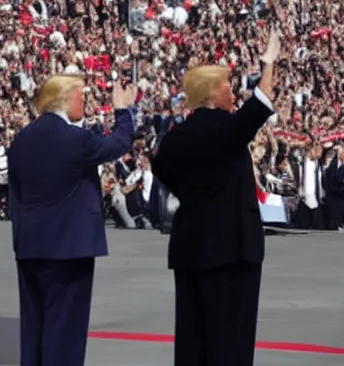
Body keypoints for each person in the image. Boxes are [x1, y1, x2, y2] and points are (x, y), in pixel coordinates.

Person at [152, 29, 281, 366]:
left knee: (193, 340)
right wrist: (268, 63)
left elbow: (163, 171)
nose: (232, 91)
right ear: (211, 93)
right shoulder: (227, 129)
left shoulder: (174, 138)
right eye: (226, 85)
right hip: (232, 250)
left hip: (190, 247)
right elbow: (262, 102)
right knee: (230, 342)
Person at [8, 74, 137, 366]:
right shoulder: (74, 140)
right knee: (64, 331)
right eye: (81, 96)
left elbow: (15, 197)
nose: (86, 102)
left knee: (34, 327)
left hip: (30, 247)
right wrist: (122, 111)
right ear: (64, 98)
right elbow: (117, 144)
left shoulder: (22, 141)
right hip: (68, 249)